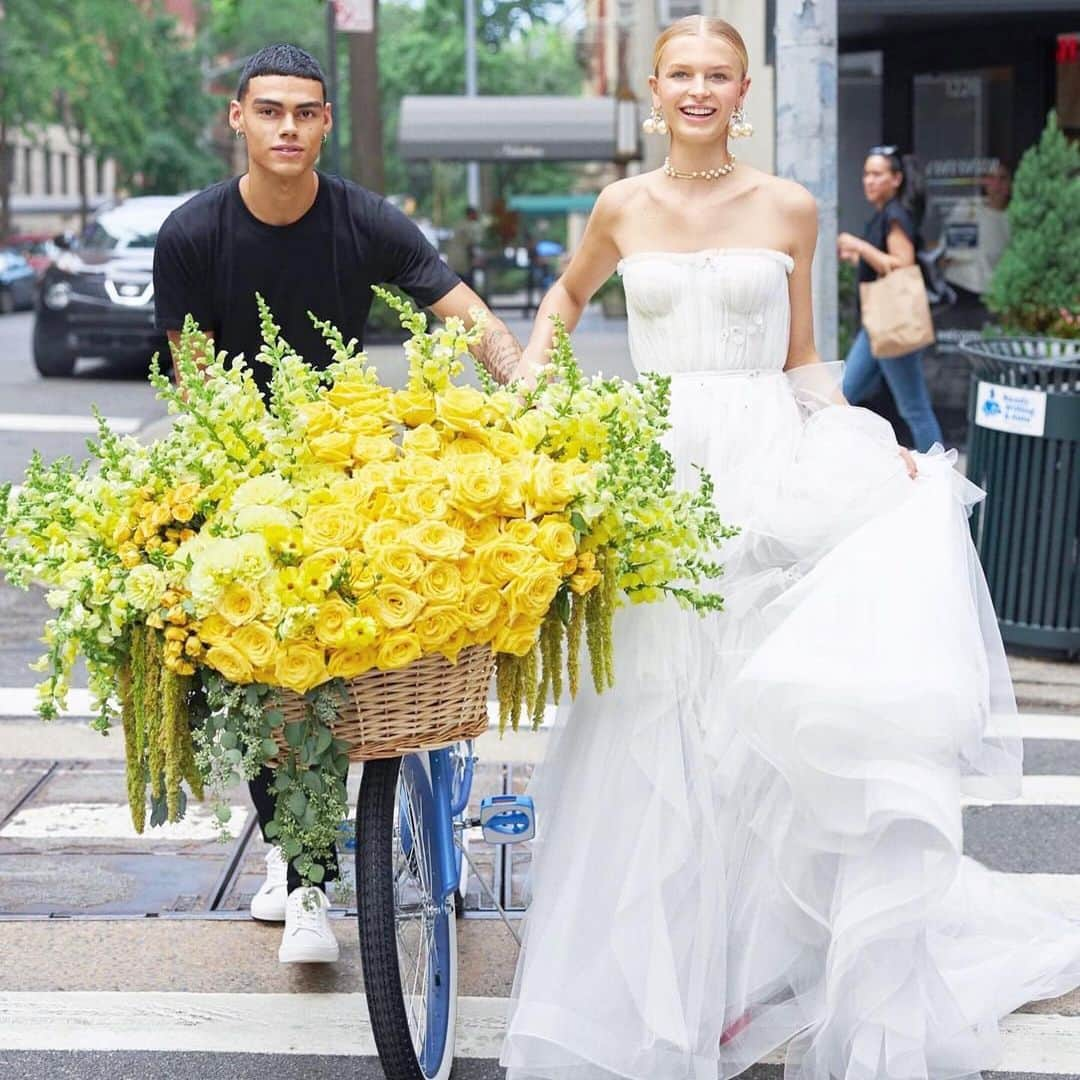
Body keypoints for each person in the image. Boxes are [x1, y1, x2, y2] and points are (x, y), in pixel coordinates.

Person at [501, 16, 1080, 1079]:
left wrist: (883, 448)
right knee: (653, 707)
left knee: (756, 717)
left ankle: (748, 961)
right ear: (654, 88)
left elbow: (808, 358)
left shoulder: (793, 205)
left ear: (744, 87)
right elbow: (567, 298)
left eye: (718, 75)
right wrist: (538, 373)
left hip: (767, 468)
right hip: (656, 470)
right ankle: (673, 970)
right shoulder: (620, 205)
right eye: (681, 74)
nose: (699, 90)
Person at [152, 43, 521, 966]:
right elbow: (194, 383)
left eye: (306, 112)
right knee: (268, 666)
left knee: (380, 647)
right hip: (240, 464)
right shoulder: (193, 234)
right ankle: (303, 873)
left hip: (348, 457)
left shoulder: (364, 221)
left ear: (324, 122)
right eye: (269, 110)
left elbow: (468, 317)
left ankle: (359, 837)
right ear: (237, 118)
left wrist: (533, 399)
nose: (288, 127)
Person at [837, 147, 944, 452]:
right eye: (866, 174)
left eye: (877, 174)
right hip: (879, 325)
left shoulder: (895, 215)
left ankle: (941, 476)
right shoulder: (885, 215)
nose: (869, 181)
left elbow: (901, 264)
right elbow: (882, 264)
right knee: (842, 395)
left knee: (914, 408)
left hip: (892, 322)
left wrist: (858, 245)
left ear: (896, 179)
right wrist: (859, 257)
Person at [943, 160, 1012, 305]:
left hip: (998, 295)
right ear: (984, 182)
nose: (997, 184)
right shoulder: (970, 208)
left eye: (1003, 178)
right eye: (991, 177)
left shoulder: (1016, 216)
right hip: (963, 290)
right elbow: (951, 253)